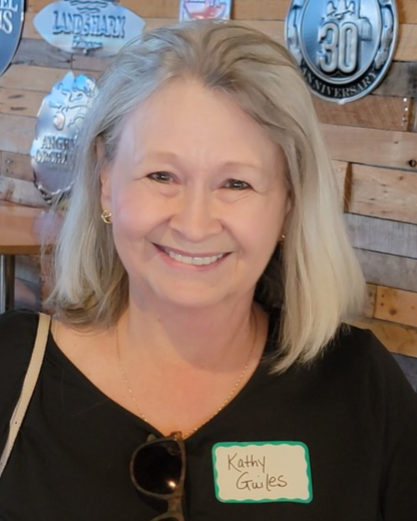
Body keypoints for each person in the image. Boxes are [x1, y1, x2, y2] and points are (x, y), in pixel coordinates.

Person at [1, 20, 416, 521]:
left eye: (236, 183)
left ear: (289, 202)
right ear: (106, 180)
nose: (194, 225)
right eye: (161, 175)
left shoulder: (359, 386)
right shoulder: (12, 370)